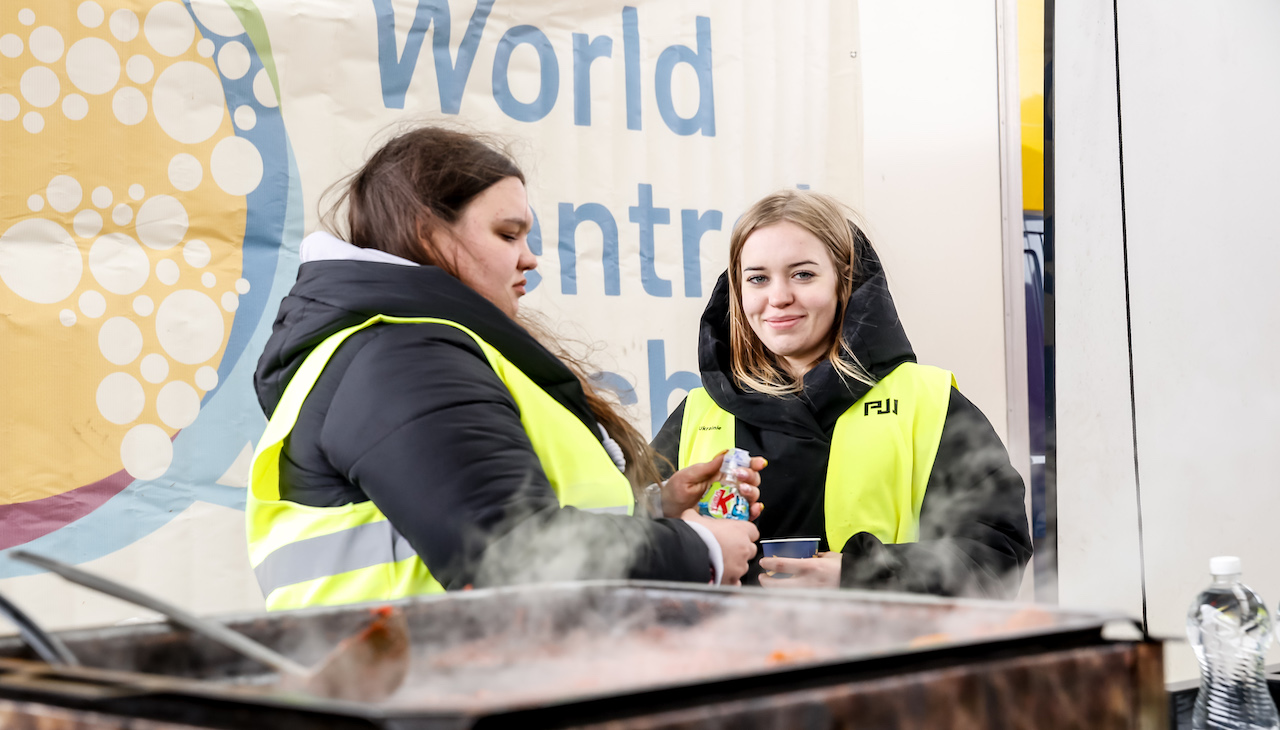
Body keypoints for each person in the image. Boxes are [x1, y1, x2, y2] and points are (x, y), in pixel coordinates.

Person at [245, 126, 761, 610]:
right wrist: (699, 548)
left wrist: (655, 512)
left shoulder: (408, 349)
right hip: (429, 684)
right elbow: (509, 555)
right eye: (508, 234)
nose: (530, 258)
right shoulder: (403, 358)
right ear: (429, 235)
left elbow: (498, 521)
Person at [652, 189, 1032, 598]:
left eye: (803, 274)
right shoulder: (698, 413)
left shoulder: (927, 402)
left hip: (881, 658)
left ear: (845, 280)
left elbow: (996, 553)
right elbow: (621, 550)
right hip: (729, 658)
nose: (778, 297)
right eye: (758, 278)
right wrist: (660, 507)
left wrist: (863, 573)